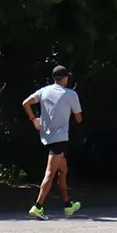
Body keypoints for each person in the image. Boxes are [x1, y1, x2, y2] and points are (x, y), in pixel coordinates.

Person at [23, 65, 83, 220]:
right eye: (67, 77)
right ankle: (38, 206)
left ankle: (67, 205)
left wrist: (34, 120)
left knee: (63, 171)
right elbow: (79, 118)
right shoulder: (70, 94)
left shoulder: (43, 91)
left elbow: (26, 103)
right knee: (50, 173)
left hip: (47, 137)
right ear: (64, 78)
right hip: (60, 139)